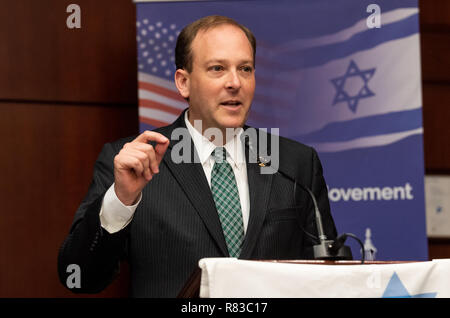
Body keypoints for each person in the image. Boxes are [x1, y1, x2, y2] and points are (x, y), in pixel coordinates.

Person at [58, 15, 337, 298]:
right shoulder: (135, 163)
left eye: (245, 68)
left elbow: (327, 277)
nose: (235, 82)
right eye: (217, 68)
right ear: (183, 83)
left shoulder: (293, 162)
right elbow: (80, 278)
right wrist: (121, 200)